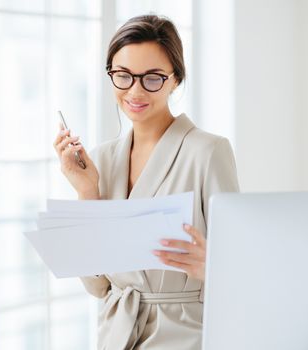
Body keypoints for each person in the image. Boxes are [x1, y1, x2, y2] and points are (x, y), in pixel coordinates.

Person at [53, 14, 239, 350]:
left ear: (175, 79)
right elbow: (97, 287)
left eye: (152, 78)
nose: (135, 91)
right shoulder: (103, 159)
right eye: (123, 76)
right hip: (116, 334)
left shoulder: (208, 152)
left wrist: (216, 265)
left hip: (186, 335)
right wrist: (86, 190)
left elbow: (243, 273)